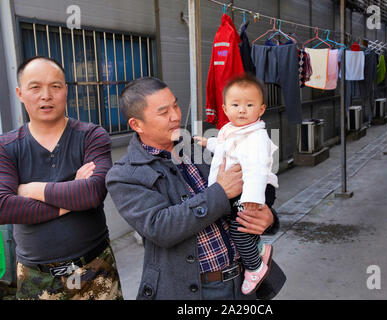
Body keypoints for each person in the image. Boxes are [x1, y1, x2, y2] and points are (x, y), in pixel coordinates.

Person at [106, 77, 285, 300]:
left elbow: (249, 186)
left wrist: (268, 218)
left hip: (242, 283)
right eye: (164, 112)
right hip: (195, 291)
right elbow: (160, 228)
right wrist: (219, 193)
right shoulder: (125, 174)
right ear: (137, 124)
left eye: (175, 105)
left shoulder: (198, 149)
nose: (175, 116)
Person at [0, 56, 123, 300]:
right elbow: (3, 207)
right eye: (35, 87)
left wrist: (29, 189)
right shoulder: (7, 146)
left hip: (95, 270)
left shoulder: (91, 136)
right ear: (20, 93)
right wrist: (72, 192)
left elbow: (93, 193)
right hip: (35, 278)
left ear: (66, 91)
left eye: (55, 86)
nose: (46, 95)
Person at [193, 73, 278, 295]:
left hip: (256, 188)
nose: (242, 110)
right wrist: (207, 142)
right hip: (243, 189)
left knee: (239, 228)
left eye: (249, 105)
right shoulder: (230, 130)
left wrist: (252, 198)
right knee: (235, 223)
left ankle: (255, 267)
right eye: (236, 104)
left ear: (261, 109)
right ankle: (259, 248)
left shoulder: (256, 136)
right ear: (225, 108)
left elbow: (257, 170)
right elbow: (224, 146)